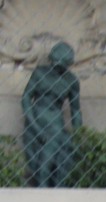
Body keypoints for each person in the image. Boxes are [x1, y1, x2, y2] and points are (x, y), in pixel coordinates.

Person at [22, 41, 81, 188]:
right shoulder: (40, 73)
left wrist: (79, 135)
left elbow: (76, 110)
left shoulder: (71, 81)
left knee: (47, 163)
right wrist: (34, 126)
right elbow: (26, 98)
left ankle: (47, 190)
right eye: (55, 64)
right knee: (34, 162)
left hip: (55, 121)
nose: (56, 68)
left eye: (60, 66)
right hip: (36, 117)